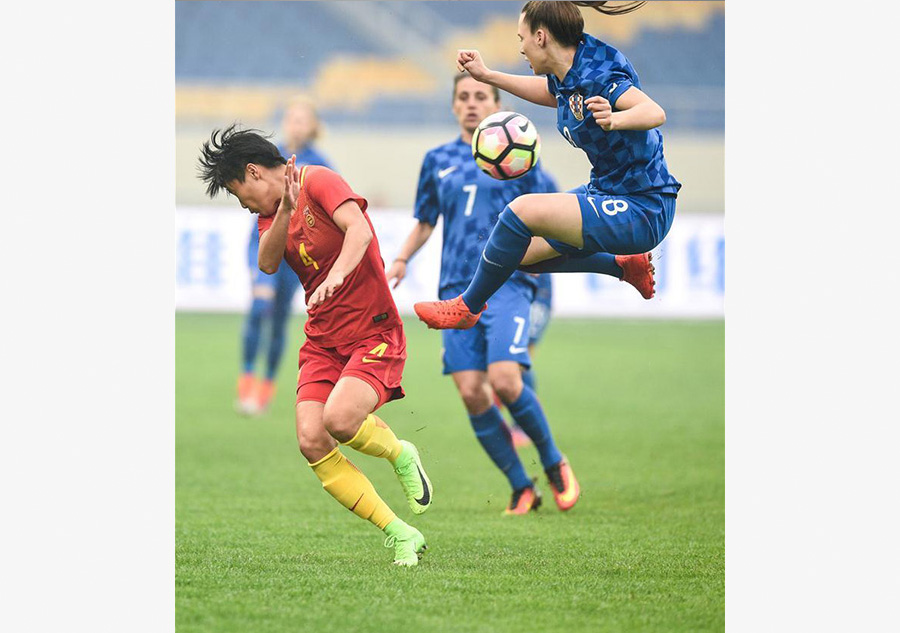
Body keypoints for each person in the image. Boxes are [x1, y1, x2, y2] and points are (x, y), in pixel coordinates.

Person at [199, 126, 433, 567]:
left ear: (252, 172)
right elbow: (267, 264)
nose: (244, 204)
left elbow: (359, 232)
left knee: (341, 419)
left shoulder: (320, 179)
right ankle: (400, 533)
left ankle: (401, 453)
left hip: (374, 332)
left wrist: (338, 275)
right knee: (311, 439)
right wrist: (284, 210)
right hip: (324, 341)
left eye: (237, 193)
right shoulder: (273, 213)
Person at [414, 0, 680, 330]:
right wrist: (487, 76)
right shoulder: (568, 71)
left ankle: (467, 307)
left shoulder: (598, 76)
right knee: (521, 254)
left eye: (522, 37)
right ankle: (624, 267)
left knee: (520, 211)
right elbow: (551, 93)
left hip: (643, 207)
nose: (521, 48)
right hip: (608, 191)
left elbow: (654, 112)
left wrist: (615, 118)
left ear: (540, 37)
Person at [387, 74, 579, 514]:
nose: (471, 104)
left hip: (508, 282)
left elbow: (557, 221)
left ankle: (553, 462)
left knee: (506, 381)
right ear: (454, 106)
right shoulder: (438, 160)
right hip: (455, 289)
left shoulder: (525, 161)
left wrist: (542, 286)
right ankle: (521, 486)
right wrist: (401, 259)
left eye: (480, 96)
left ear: (496, 105)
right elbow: (425, 220)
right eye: (463, 97)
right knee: (473, 391)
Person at [237, 97, 334, 415]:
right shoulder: (269, 158)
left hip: (296, 255)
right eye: (292, 118)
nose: (296, 124)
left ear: (314, 126)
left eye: (303, 119)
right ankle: (246, 380)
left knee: (278, 321)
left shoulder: (321, 164)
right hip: (263, 243)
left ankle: (265, 388)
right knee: (259, 306)